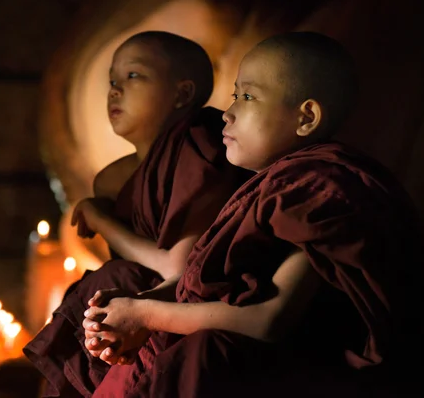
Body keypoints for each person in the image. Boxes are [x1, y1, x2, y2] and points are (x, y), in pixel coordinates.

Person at [82, 31, 424, 397]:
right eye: (234, 95)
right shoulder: (271, 186)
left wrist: (147, 314)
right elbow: (211, 281)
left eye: (247, 96)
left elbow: (269, 320)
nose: (228, 114)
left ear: (306, 117)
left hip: (287, 374)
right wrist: (140, 304)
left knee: (204, 352)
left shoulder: (321, 191)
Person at [23, 31, 252, 397]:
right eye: (112, 81)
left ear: (183, 93)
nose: (115, 90)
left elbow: (176, 269)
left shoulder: (202, 143)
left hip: (176, 310)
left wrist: (102, 222)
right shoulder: (113, 179)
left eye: (134, 76)